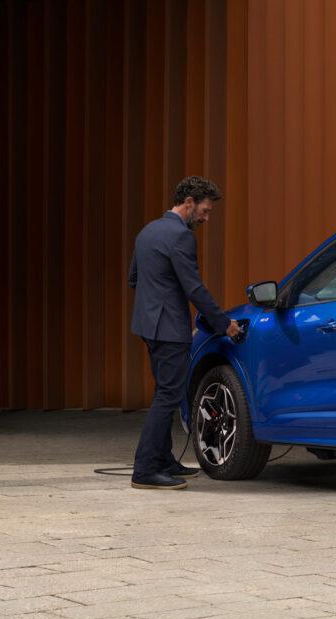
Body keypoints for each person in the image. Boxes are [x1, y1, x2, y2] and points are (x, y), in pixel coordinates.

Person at [127, 176, 240, 490]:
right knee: (169, 395)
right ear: (189, 202)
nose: (205, 217)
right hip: (170, 328)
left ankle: (164, 460)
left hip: (147, 325)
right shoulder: (181, 236)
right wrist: (223, 324)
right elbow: (194, 288)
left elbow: (134, 278)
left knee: (165, 390)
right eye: (204, 210)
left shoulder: (147, 231)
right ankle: (145, 469)